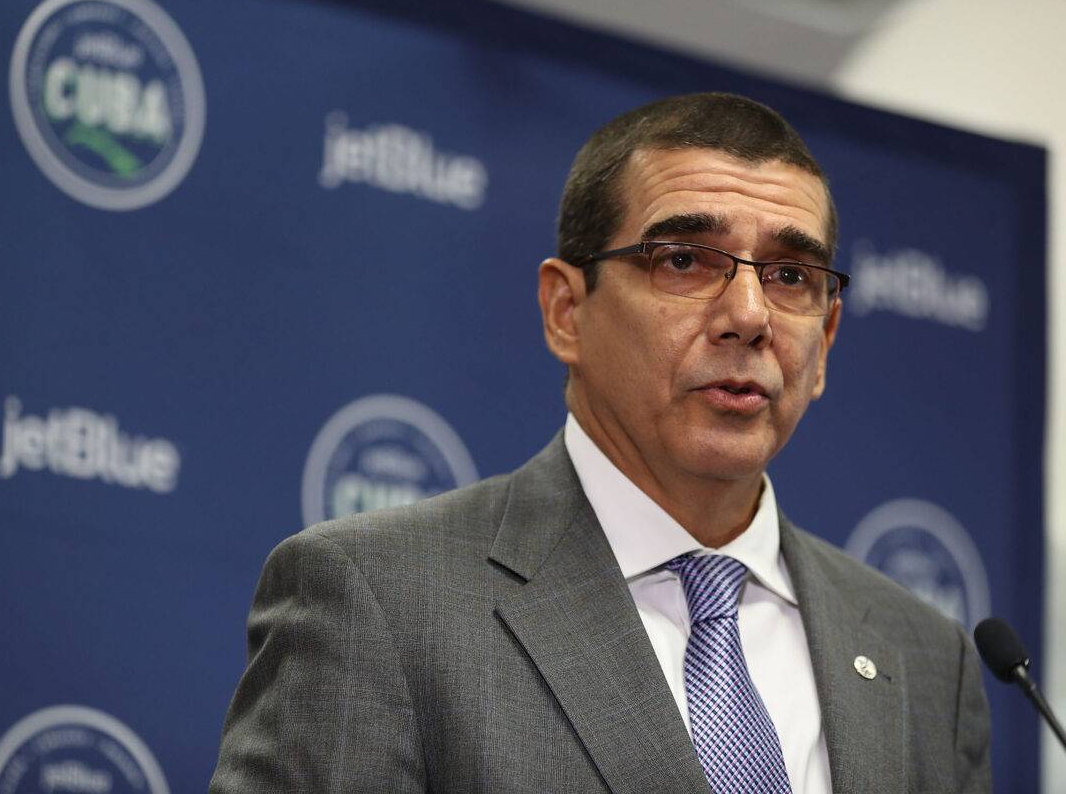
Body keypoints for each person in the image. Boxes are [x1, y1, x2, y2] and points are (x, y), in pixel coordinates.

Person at [210, 92, 991, 794]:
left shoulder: (926, 659)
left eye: (791, 276)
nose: (749, 314)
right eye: (684, 259)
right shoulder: (380, 599)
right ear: (566, 311)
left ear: (824, 337)